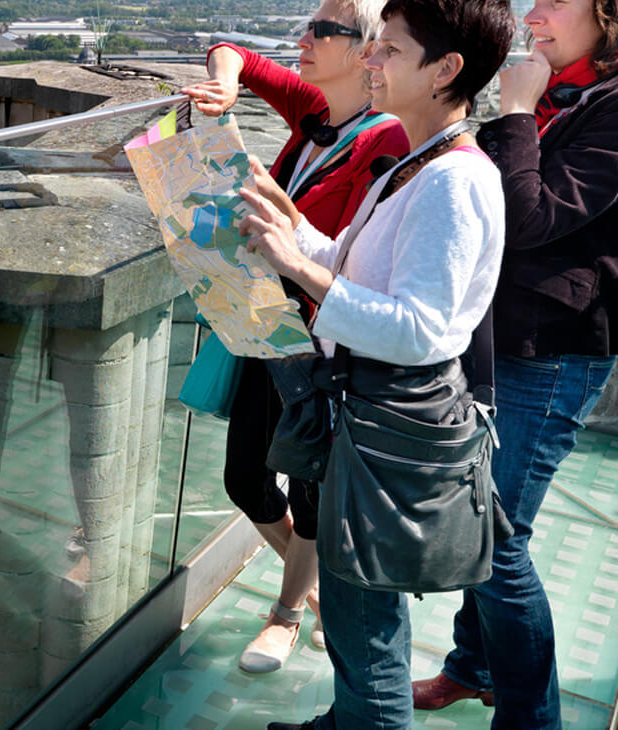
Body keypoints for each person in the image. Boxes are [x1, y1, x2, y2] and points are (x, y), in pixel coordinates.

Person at [238, 0, 515, 726]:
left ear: (446, 70)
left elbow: (421, 330)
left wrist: (298, 264)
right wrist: (292, 223)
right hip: (373, 427)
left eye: (390, 50)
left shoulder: (453, 181)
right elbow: (360, 272)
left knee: (369, 641)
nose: (371, 60)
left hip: (383, 431)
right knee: (364, 625)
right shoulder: (423, 164)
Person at [178, 0, 408, 673]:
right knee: (246, 477)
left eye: (322, 31)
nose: (302, 40)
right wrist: (224, 82)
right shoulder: (317, 113)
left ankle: (285, 610)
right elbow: (235, 53)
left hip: (320, 340)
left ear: (366, 53)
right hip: (264, 320)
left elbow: (363, 255)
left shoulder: (385, 139)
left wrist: (278, 214)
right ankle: (322, 592)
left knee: (308, 486)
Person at [410, 0, 618, 726]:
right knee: (480, 521)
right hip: (503, 339)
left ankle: (532, 720)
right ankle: (472, 668)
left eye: (555, 1)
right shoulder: (570, 93)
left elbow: (530, 217)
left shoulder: (606, 109)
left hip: (554, 353)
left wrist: (519, 111)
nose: (535, 12)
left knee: (496, 541)